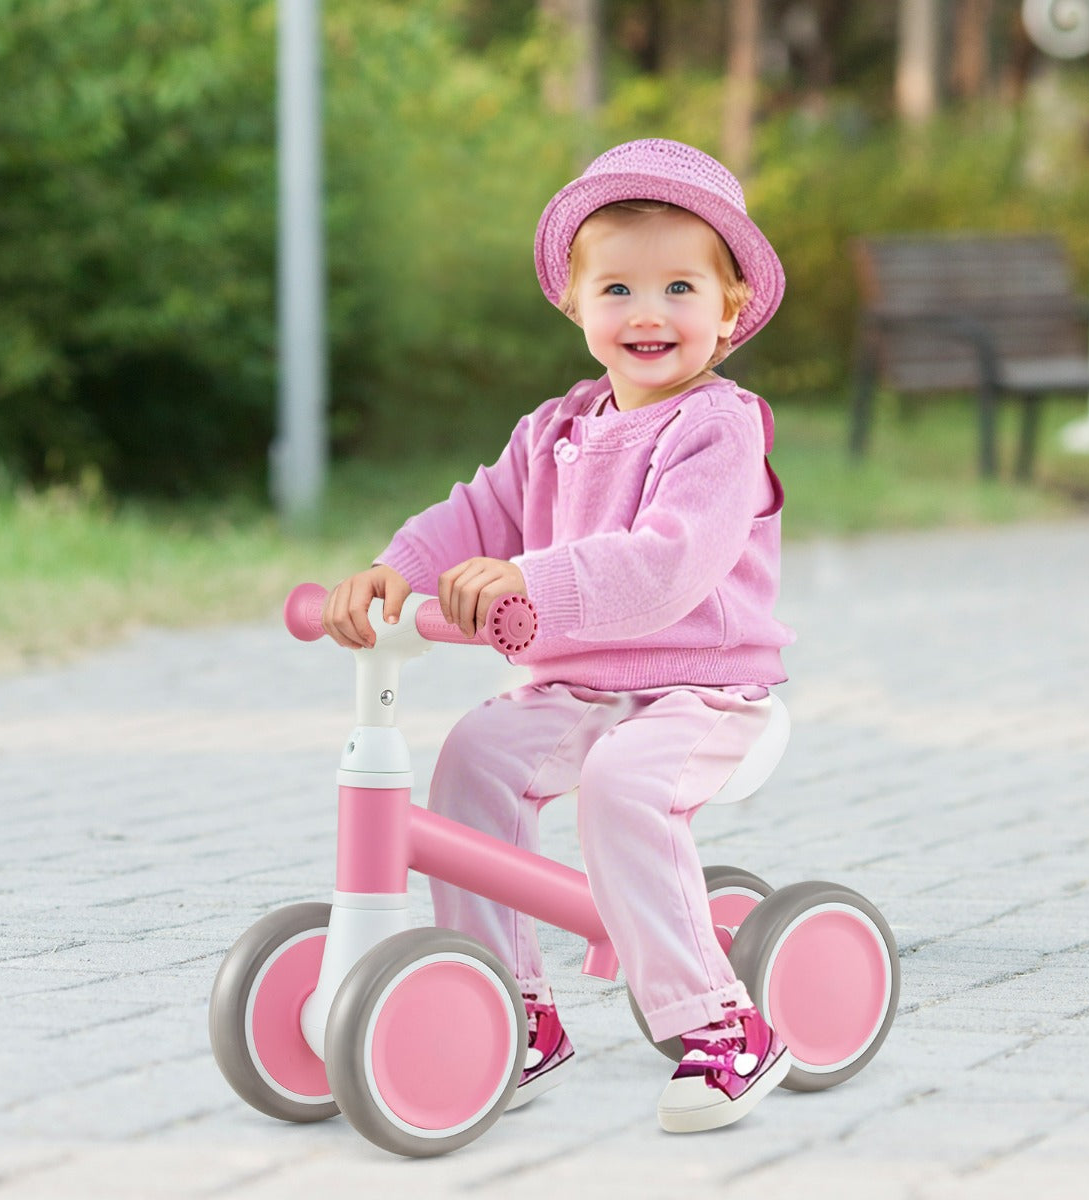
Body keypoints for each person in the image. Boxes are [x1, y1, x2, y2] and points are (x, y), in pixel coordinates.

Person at [322, 138, 796, 1134]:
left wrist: (527, 580)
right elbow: (477, 514)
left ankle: (723, 1024)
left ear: (733, 307)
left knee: (626, 786)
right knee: (473, 761)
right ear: (575, 305)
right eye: (617, 288)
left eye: (679, 286)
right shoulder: (554, 430)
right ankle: (511, 1006)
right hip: (576, 689)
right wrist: (395, 571)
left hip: (701, 690)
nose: (648, 312)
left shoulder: (721, 430)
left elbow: (665, 563)